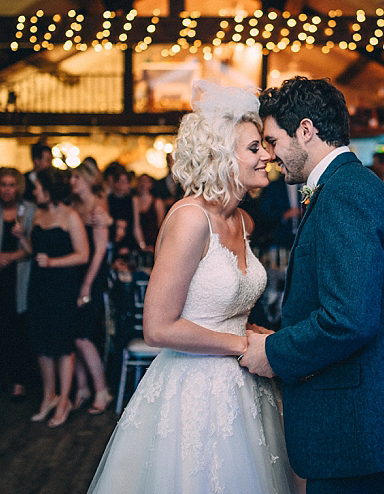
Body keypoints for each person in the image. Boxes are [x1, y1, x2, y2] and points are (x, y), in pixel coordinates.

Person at [89, 80, 296, 493]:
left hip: (245, 386)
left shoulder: (242, 221)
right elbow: (158, 328)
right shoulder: (189, 219)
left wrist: (252, 333)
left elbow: (226, 307)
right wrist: (241, 345)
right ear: (221, 155)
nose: (268, 156)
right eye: (254, 148)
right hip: (195, 392)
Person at [242, 77, 384, 493]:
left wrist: (274, 353)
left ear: (305, 130)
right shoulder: (350, 185)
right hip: (367, 420)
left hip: (358, 426)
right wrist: (285, 334)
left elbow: (348, 319)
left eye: (272, 140)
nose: (270, 154)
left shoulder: (343, 194)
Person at [22, 168, 89, 428]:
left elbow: (82, 254)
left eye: (37, 188)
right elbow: (34, 251)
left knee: (62, 346)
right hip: (38, 285)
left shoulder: (70, 216)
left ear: (48, 189)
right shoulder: (38, 214)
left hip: (62, 286)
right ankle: (48, 396)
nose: (34, 192)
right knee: (41, 343)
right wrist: (21, 240)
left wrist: (52, 262)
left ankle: (64, 400)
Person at [0, 167, 34, 402]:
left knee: (18, 331)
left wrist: (7, 257)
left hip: (19, 276)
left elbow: (34, 248)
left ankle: (19, 382)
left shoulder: (29, 210)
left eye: (12, 185)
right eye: (3, 184)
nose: (7, 189)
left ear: (18, 187)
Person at [69, 159, 114, 415]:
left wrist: (86, 284)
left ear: (87, 180)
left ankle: (101, 390)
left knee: (83, 335)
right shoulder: (74, 206)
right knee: (74, 335)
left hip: (92, 277)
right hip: (73, 274)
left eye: (76, 178)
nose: (72, 182)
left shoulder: (98, 208)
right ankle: (82, 388)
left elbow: (99, 252)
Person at [131, 174, 166, 252]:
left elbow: (161, 226)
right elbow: (136, 225)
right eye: (141, 181)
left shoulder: (157, 202)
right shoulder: (134, 200)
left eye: (146, 181)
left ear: (151, 184)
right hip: (138, 241)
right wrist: (142, 245)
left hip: (154, 241)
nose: (143, 184)